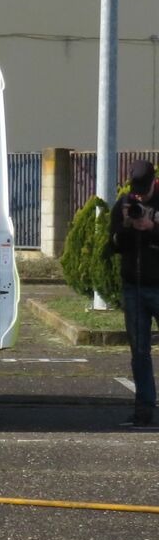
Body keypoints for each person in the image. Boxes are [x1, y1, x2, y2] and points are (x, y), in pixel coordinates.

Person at [108, 159, 159, 428]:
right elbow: (114, 245)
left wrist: (153, 230)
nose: (139, 195)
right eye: (135, 189)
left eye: (144, 189)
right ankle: (144, 410)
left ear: (154, 181)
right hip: (134, 288)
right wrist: (127, 226)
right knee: (139, 353)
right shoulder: (125, 204)